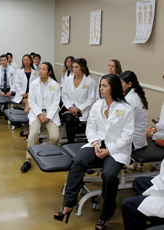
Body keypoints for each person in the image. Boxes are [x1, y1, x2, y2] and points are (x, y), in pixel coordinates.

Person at [54, 74, 134, 230]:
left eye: (105, 86)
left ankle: (106, 216)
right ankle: (68, 205)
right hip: (97, 145)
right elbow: (91, 128)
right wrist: (96, 144)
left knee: (109, 175)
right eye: (101, 85)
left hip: (116, 149)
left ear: (114, 87)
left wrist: (108, 150)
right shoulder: (97, 105)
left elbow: (127, 135)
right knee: (77, 162)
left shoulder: (126, 108)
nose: (101, 89)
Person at [20, 62, 60, 173]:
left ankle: (51, 156)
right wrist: (39, 115)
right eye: (39, 69)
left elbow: (56, 103)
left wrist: (49, 116)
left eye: (43, 69)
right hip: (36, 113)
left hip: (51, 114)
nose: (40, 71)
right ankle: (28, 160)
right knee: (32, 134)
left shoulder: (55, 85)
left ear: (49, 72)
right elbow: (31, 101)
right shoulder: (33, 83)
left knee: (55, 136)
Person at [61, 58, 96, 143]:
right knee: (69, 119)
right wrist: (70, 107)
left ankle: (75, 144)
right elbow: (64, 95)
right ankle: (70, 143)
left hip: (83, 109)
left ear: (83, 67)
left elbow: (91, 99)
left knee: (74, 121)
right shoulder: (68, 79)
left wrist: (79, 109)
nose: (74, 69)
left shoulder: (90, 82)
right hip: (69, 107)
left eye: (77, 67)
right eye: (73, 67)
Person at [121, 159, 164, 230]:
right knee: (138, 182)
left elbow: (161, 187)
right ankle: (148, 219)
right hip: (161, 185)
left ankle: (156, 220)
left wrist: (145, 195)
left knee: (128, 204)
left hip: (161, 192)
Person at [120, 71, 148, 170]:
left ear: (129, 84)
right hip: (138, 137)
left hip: (134, 140)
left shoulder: (131, 99)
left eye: (121, 83)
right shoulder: (135, 94)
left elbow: (122, 121)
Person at [0, 54, 16, 124]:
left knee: (16, 98)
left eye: (4, 60)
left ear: (7, 60)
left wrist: (11, 91)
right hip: (0, 89)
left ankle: (11, 116)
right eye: (1, 60)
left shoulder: (13, 70)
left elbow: (15, 82)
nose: (3, 62)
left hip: (9, 89)